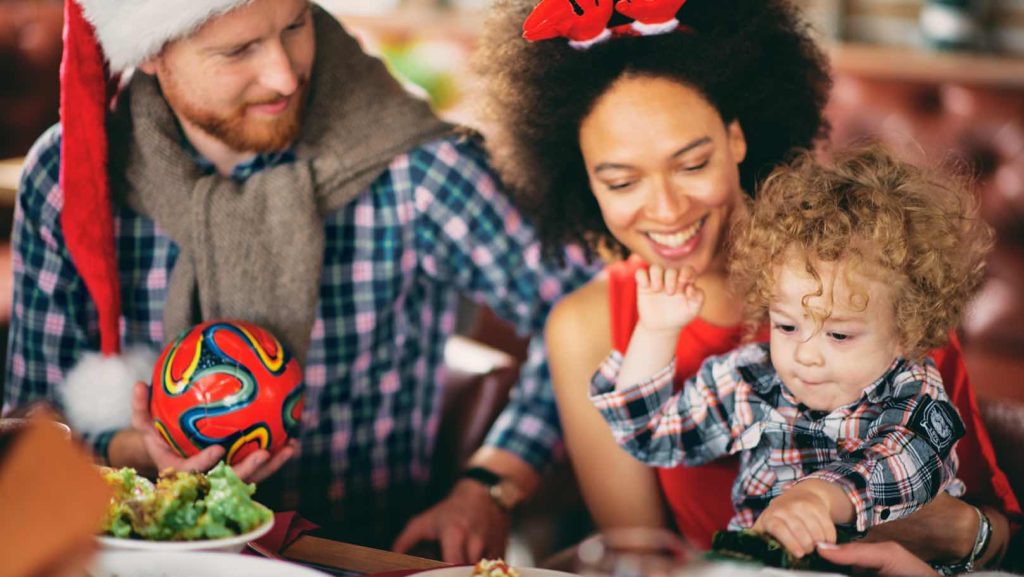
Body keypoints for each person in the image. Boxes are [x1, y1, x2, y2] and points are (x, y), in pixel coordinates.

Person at [3, 0, 596, 559]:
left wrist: (490, 485)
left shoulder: (416, 167)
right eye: (238, 51)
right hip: (143, 558)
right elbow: (32, 415)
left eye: (295, 25)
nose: (286, 76)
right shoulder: (71, 176)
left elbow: (587, 307)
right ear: (152, 51)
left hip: (358, 555)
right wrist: (133, 454)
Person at [474, 0, 1020, 572]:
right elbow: (642, 556)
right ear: (582, 180)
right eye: (622, 180)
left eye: (691, 164)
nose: (665, 208)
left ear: (736, 138)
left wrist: (956, 536)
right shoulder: (609, 335)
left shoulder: (878, 281)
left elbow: (1001, 533)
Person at [589, 145, 986, 558]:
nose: (806, 355)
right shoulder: (751, 381)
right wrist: (656, 331)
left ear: (905, 330)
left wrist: (819, 497)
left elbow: (906, 462)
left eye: (839, 335)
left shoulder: (911, 389)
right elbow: (648, 435)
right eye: (787, 326)